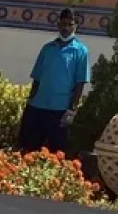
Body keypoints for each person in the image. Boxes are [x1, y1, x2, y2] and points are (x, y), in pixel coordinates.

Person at [18, 9, 90, 155]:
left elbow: (80, 83)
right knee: (28, 149)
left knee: (55, 153)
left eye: (70, 24)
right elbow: (37, 78)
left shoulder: (81, 51)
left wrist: (71, 110)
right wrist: (30, 101)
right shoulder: (47, 48)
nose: (66, 28)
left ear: (75, 26)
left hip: (60, 109)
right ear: (58, 24)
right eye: (63, 24)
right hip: (38, 106)